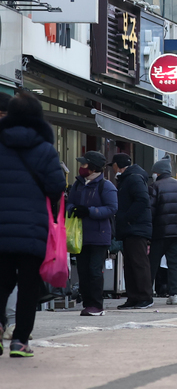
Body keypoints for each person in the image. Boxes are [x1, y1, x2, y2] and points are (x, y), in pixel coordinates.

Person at [0, 90, 65, 357]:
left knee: (0, 284)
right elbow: (56, 187)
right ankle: (20, 341)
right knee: (28, 287)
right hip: (33, 232)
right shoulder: (45, 150)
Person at [67, 150, 118, 316]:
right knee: (83, 271)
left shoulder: (106, 186)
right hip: (79, 236)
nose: (81, 167)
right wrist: (72, 209)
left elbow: (111, 208)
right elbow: (70, 202)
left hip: (98, 236)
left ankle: (96, 305)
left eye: (85, 164)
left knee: (95, 270)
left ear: (93, 167)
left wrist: (89, 211)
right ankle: (88, 303)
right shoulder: (79, 184)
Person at [110, 154, 153, 310]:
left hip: (136, 228)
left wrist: (127, 218)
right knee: (130, 264)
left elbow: (142, 200)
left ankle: (144, 297)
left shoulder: (133, 178)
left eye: (113, 165)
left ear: (118, 165)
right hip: (131, 228)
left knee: (138, 263)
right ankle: (134, 297)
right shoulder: (128, 178)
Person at [148, 157, 177, 304]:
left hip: (159, 233)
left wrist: (149, 232)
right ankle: (175, 294)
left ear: (158, 173)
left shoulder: (155, 187)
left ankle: (147, 292)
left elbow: (151, 211)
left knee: (152, 264)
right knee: (175, 264)